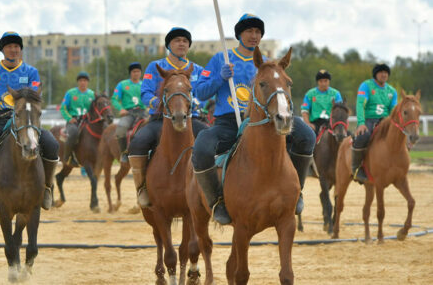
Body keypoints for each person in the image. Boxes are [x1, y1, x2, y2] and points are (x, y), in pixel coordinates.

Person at [191, 14, 315, 224]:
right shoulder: (221, 59)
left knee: (307, 136)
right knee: (202, 147)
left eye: (258, 32)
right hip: (228, 122)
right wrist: (218, 78)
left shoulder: (268, 64)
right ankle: (217, 201)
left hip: (265, 121)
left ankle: (297, 191)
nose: (254, 35)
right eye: (249, 31)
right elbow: (200, 93)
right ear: (239, 34)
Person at [0, 32, 59, 210]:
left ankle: (47, 187)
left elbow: (34, 97)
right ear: (2, 49)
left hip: (26, 120)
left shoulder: (31, 72)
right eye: (9, 46)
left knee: (52, 144)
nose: (13, 49)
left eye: (16, 47)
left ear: (20, 50)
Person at [128, 27, 207, 208]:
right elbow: (145, 92)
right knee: (138, 142)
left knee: (215, 142)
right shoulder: (156, 67)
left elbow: (206, 94)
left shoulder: (198, 70)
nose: (181, 43)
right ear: (169, 45)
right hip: (160, 120)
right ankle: (142, 189)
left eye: (185, 41)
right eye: (177, 40)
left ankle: (213, 190)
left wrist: (197, 102)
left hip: (191, 119)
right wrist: (158, 103)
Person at [351, 63, 397, 184]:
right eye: (381, 72)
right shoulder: (366, 86)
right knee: (363, 136)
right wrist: (361, 123)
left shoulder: (392, 91)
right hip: (369, 120)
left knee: (399, 137)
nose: (384, 75)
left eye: (386, 73)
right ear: (375, 74)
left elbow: (393, 110)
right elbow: (360, 104)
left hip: (386, 121)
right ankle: (356, 168)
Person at [112, 62, 146, 163]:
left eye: (138, 71)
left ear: (141, 73)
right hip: (129, 113)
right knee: (121, 129)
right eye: (134, 71)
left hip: (143, 112)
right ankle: (124, 153)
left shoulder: (144, 84)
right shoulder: (122, 84)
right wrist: (121, 109)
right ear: (130, 73)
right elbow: (114, 99)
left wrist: (150, 107)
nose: (136, 73)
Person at [60, 71, 95, 167]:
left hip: (87, 121)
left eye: (85, 80)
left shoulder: (92, 94)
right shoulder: (70, 93)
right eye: (81, 80)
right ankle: (67, 157)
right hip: (74, 121)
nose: (83, 82)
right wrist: (69, 118)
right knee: (73, 133)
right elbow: (63, 108)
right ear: (78, 82)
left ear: (88, 82)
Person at [301, 69, 343, 135]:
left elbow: (340, 111)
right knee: (306, 138)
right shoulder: (310, 94)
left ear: (329, 81)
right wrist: (308, 124)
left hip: (331, 123)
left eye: (326, 81)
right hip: (315, 124)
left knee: (345, 136)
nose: (323, 83)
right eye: (321, 81)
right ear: (317, 82)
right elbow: (304, 110)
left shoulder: (336, 94)